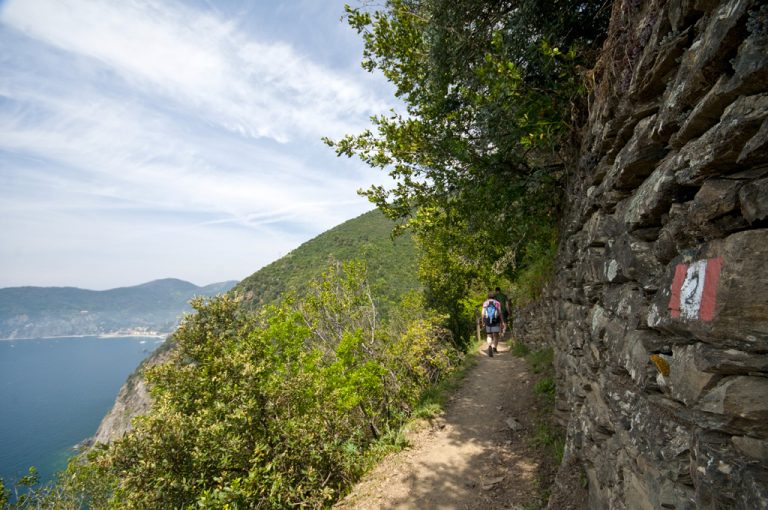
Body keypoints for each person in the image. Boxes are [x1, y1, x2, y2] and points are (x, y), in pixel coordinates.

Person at [482, 292, 505, 357]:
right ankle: (494, 348)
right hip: (496, 320)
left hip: (487, 320)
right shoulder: (497, 303)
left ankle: (489, 346)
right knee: (496, 335)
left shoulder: (485, 303)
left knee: (489, 335)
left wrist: (483, 321)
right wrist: (502, 321)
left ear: (488, 297)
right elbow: (500, 313)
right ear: (494, 297)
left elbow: (482, 313)